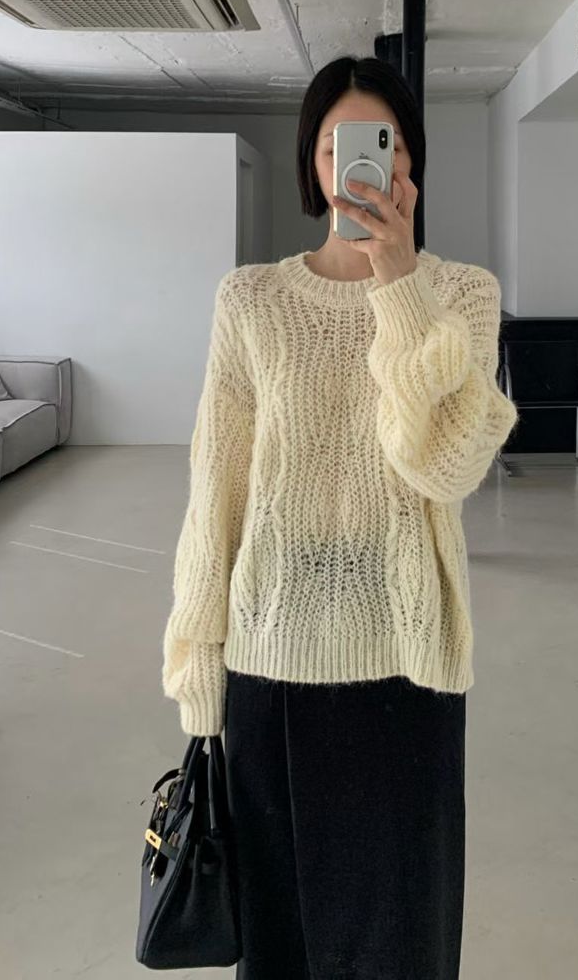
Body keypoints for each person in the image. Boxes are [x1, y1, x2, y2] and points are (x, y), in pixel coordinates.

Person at [161, 54, 519, 980]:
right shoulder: (251, 299)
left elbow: (444, 468)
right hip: (270, 656)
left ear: (410, 159)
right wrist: (197, 664)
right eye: (336, 144)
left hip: (406, 655)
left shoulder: (463, 295)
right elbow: (217, 486)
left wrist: (397, 285)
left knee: (403, 936)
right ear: (311, 163)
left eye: (381, 142)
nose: (359, 163)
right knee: (278, 940)